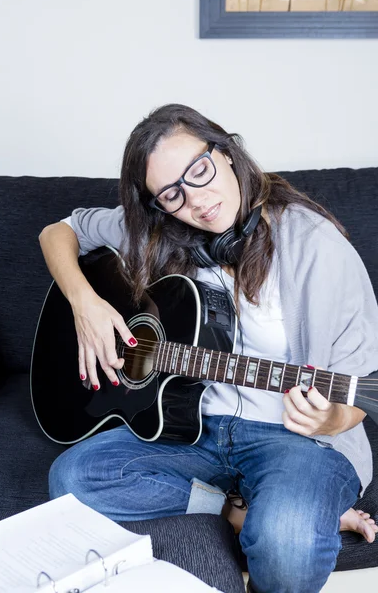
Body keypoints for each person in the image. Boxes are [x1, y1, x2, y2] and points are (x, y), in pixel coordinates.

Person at [39, 104, 378, 593]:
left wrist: (331, 419)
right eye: (172, 194)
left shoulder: (316, 245)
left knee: (286, 543)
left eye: (199, 171)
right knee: (73, 479)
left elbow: (356, 387)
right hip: (193, 431)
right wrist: (85, 303)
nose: (195, 200)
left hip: (295, 440)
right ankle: (237, 509)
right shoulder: (159, 232)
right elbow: (59, 232)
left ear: (227, 150)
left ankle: (285, 507)